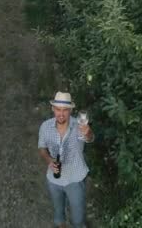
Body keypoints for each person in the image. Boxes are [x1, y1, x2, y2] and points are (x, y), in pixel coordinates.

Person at [38, 91, 95, 228]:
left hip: (74, 180)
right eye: (58, 109)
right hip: (54, 180)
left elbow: (89, 138)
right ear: (53, 109)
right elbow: (42, 148)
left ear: (71, 110)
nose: (61, 114)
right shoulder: (45, 127)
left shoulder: (79, 126)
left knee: (77, 220)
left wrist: (88, 133)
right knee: (59, 215)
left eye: (65, 110)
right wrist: (49, 160)